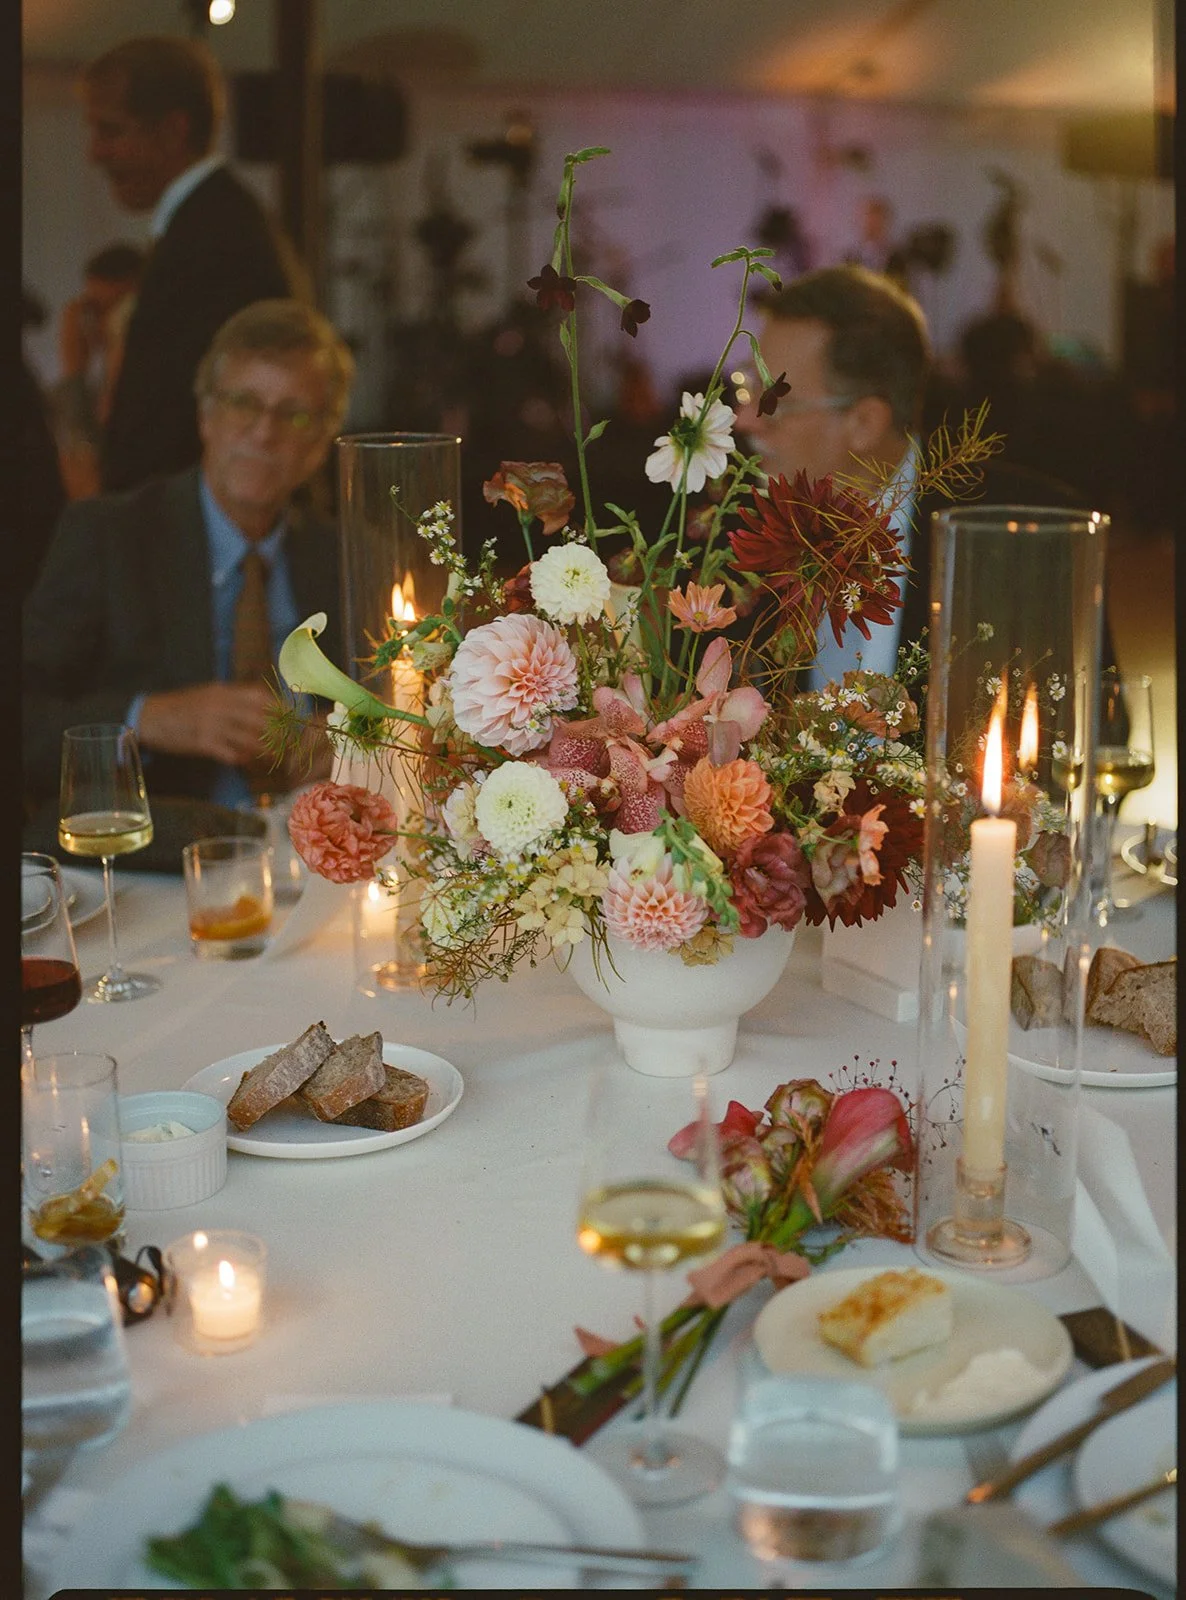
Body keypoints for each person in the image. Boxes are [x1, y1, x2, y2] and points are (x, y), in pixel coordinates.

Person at [23, 300, 354, 810]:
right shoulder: (109, 535)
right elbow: (22, 715)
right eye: (244, 403)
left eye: (294, 414)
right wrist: (147, 718)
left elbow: (404, 703)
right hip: (160, 843)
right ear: (205, 415)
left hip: (313, 841)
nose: (264, 432)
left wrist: (352, 737)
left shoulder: (344, 554)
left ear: (320, 440)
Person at [737, 265, 1088, 684]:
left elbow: (1084, 713)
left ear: (865, 422)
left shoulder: (1027, 539)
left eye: (774, 402)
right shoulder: (729, 531)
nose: (745, 420)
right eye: (748, 387)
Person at [81, 36, 307, 492]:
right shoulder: (214, 223)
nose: (95, 153)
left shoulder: (215, 240)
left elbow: (172, 427)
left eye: (111, 131)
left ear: (172, 132)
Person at [51, 242, 146, 500]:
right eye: (95, 310)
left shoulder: (140, 383)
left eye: (113, 307)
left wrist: (73, 367)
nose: (104, 323)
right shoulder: (100, 379)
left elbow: (88, 470)